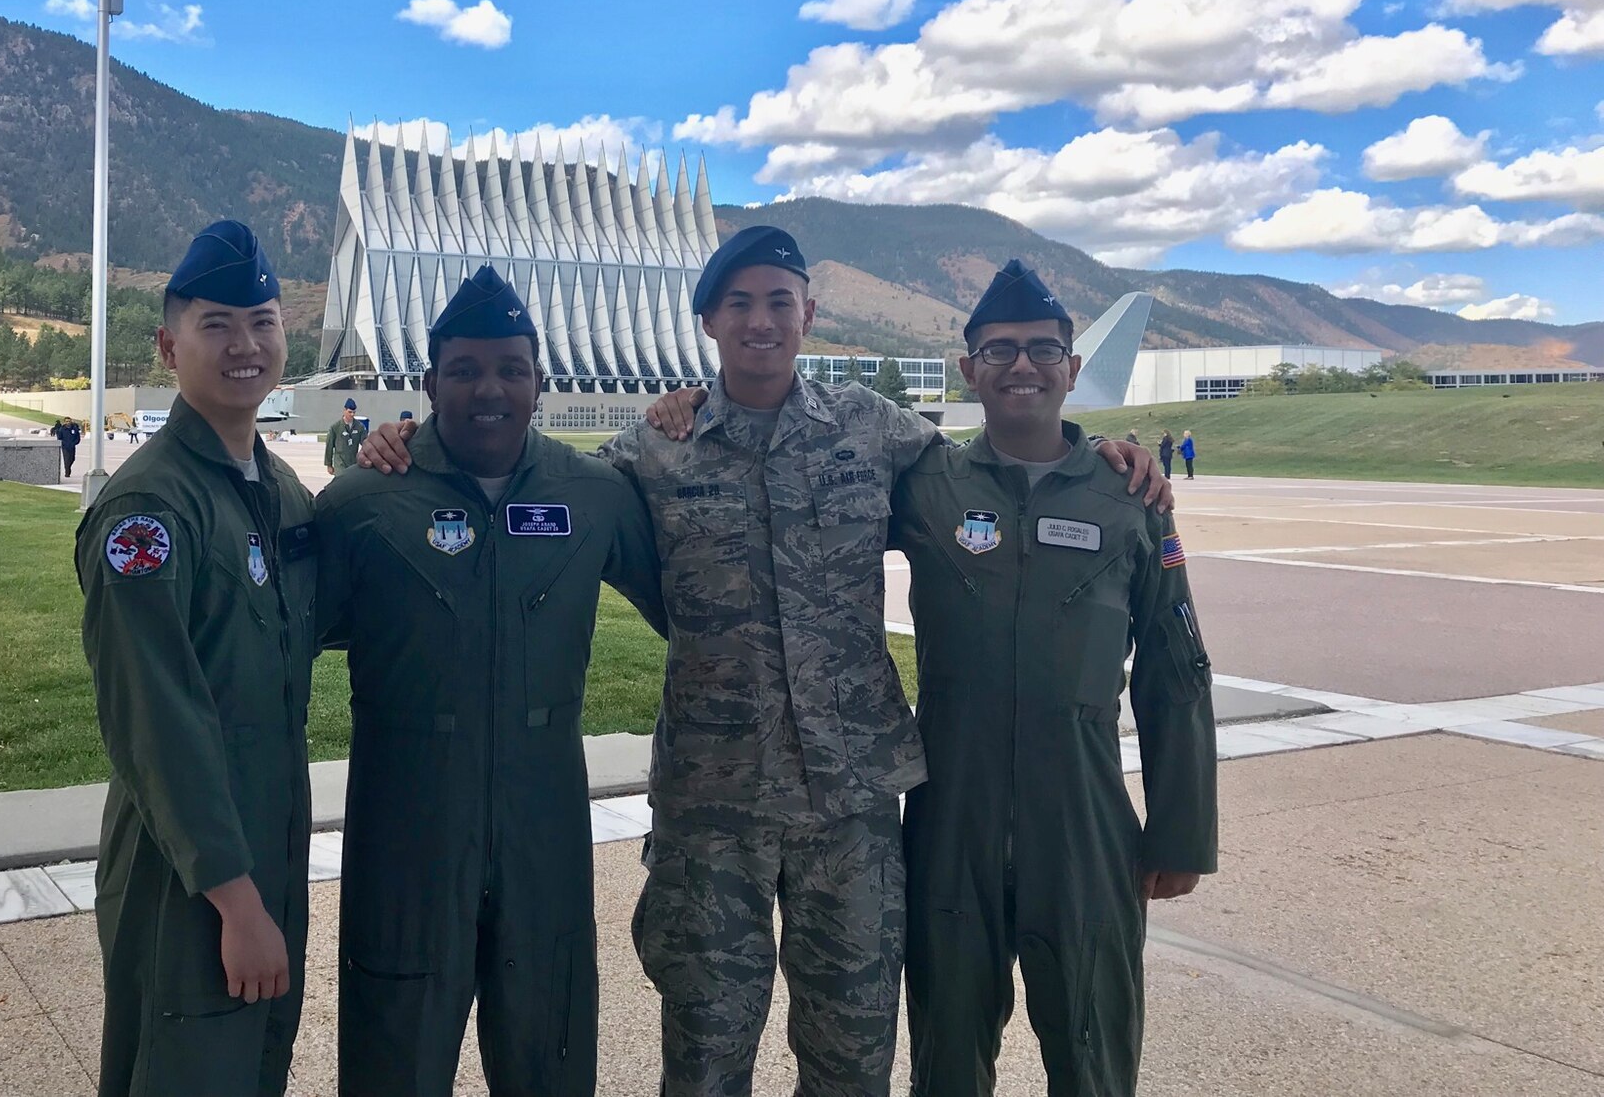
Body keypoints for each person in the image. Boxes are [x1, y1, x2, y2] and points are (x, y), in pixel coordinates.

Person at [359, 231, 1168, 1097]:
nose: (761, 319)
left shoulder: (876, 431)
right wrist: (412, 441)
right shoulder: (653, 449)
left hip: (850, 811)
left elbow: (998, 470)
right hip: (713, 816)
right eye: (738, 302)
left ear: (809, 315)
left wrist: (1102, 459)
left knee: (852, 1064)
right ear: (708, 319)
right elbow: (531, 476)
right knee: (706, 1063)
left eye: (781, 300)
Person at [313, 265, 666, 1097]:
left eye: (511, 368)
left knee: (550, 1038)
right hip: (407, 826)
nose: (489, 389)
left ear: (540, 381)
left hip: (543, 817)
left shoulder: (596, 494)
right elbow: (281, 649)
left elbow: (695, 612)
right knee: (394, 1044)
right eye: (465, 370)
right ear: (430, 382)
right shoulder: (365, 500)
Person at [891, 259, 1217, 1097]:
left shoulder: (1129, 498)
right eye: (998, 351)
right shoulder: (924, 486)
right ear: (969, 371)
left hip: (1083, 816)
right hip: (949, 813)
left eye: (1043, 350)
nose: (1022, 366)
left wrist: (1181, 831)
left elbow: (1176, 670)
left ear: (1074, 370)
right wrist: (699, 404)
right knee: (947, 1052)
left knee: (1095, 1046)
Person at [74, 220, 318, 1097]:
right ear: (169, 347)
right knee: (178, 1069)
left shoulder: (276, 488)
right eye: (217, 325)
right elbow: (155, 719)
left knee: (250, 1068)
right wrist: (234, 897)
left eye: (262, 320)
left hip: (267, 846)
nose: (245, 345)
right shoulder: (150, 510)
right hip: (188, 872)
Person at [323, 399, 367, 476]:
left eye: (354, 412)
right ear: (344, 410)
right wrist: (329, 464)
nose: (352, 414)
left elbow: (365, 444)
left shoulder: (359, 427)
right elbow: (329, 446)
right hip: (340, 462)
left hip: (353, 461)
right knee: (341, 480)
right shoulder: (335, 427)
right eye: (350, 412)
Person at [54, 416, 83, 480]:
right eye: (66, 421)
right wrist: (63, 443)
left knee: (72, 459)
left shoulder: (74, 429)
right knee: (66, 460)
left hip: (72, 446)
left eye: (69, 421)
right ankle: (67, 472)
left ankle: (68, 467)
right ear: (64, 422)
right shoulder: (62, 429)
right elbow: (59, 438)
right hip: (65, 447)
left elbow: (77, 437)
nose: (68, 422)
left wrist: (74, 443)